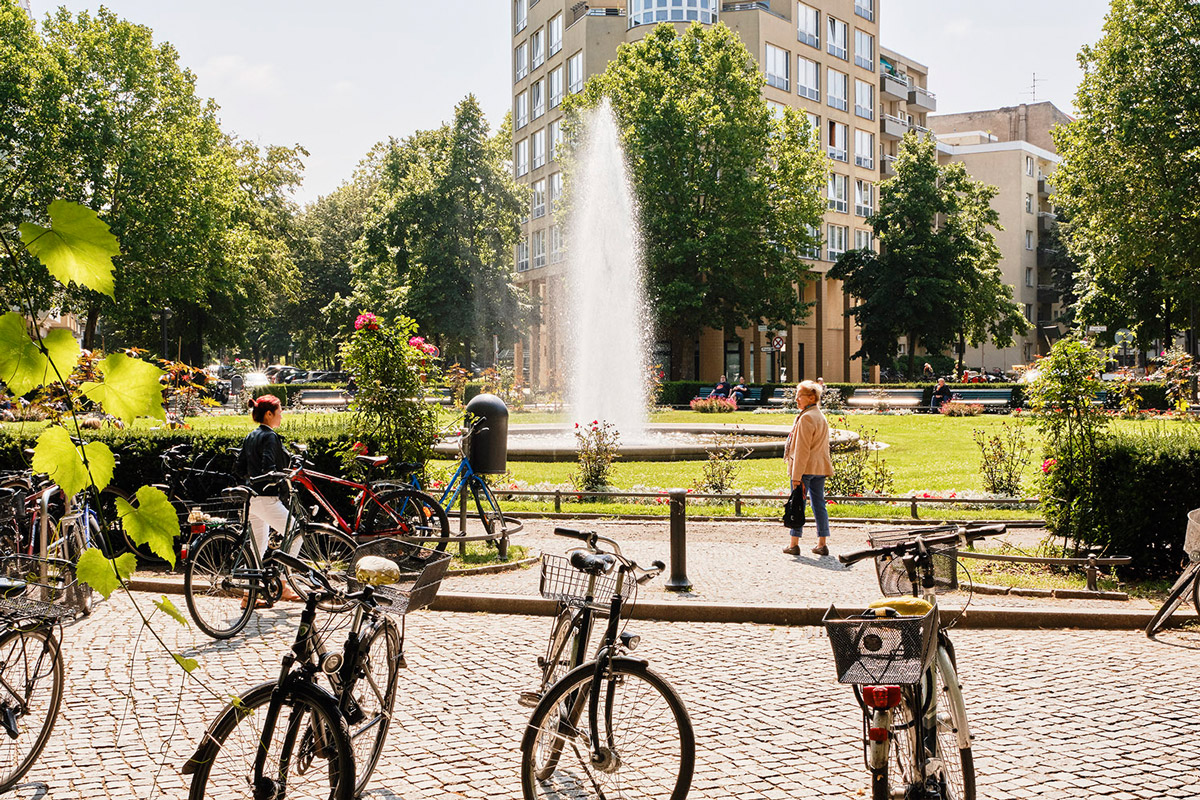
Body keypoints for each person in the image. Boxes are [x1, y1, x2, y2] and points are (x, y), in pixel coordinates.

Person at [235, 394, 300, 604]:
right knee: (296, 533)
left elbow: (238, 468)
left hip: (251, 499)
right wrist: (277, 476)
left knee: (257, 546)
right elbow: (269, 466)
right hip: (266, 498)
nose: (282, 416)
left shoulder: (251, 435)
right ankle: (283, 583)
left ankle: (249, 595)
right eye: (280, 412)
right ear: (269, 413)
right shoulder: (270, 436)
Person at [783, 380, 834, 557]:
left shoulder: (806, 418)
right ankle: (822, 543)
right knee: (819, 504)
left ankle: (794, 543)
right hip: (819, 467)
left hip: (805, 469)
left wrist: (796, 476)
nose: (796, 399)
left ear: (811, 397)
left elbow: (802, 450)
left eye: (799, 396)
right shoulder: (819, 416)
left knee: (797, 504)